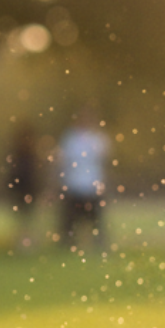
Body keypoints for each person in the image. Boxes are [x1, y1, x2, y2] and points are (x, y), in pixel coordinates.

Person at [58, 106, 110, 249]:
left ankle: (98, 245)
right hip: (73, 185)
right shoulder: (70, 139)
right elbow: (63, 162)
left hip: (92, 186)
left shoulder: (98, 139)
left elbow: (104, 163)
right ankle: (68, 244)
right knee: (70, 221)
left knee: (96, 221)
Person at [6, 123, 39, 250]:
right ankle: (24, 242)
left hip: (27, 188)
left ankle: (26, 242)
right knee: (24, 218)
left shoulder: (26, 154)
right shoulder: (22, 155)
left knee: (27, 218)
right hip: (24, 188)